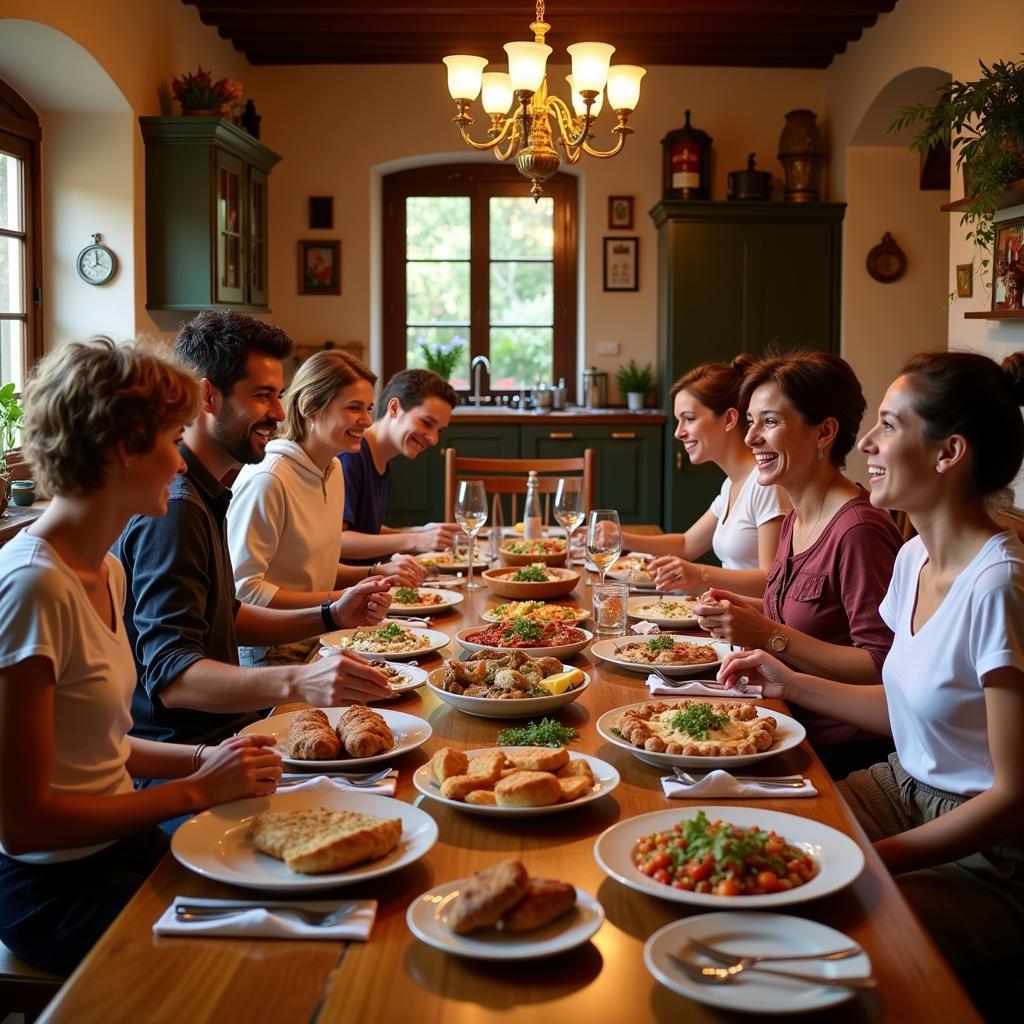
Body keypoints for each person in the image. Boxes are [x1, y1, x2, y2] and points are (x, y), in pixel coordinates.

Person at [718, 351, 1024, 1011]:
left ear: (949, 453)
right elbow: (902, 712)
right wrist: (786, 679)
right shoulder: (913, 556)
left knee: (818, 925)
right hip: (900, 785)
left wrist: (872, 858)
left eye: (888, 426)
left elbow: (1011, 798)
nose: (866, 443)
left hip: (990, 851)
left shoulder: (1000, 588)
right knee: (742, 844)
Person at [0, 338, 282, 974]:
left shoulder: (107, 569)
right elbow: (24, 826)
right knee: (249, 968)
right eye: (171, 438)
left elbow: (98, 748)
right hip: (53, 890)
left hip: (116, 847)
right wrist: (194, 791)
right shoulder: (32, 585)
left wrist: (207, 758)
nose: (181, 463)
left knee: (293, 907)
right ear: (123, 447)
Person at [115, 311, 393, 768]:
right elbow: (173, 679)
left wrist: (330, 614)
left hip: (232, 735)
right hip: (190, 762)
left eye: (279, 396)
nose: (280, 413)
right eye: (263, 396)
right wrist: (299, 682)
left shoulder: (211, 488)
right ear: (207, 395)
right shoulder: (175, 505)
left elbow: (226, 614)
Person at [694, 351, 904, 775]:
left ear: (825, 431)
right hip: (781, 719)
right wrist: (738, 611)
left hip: (838, 753)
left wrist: (767, 633)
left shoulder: (858, 530)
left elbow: (882, 667)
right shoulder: (798, 516)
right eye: (751, 421)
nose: (751, 438)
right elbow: (802, 619)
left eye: (769, 422)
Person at [227, 350, 406, 667]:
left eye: (368, 408)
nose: (366, 420)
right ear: (309, 407)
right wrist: (338, 602)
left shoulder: (332, 469)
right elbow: (244, 592)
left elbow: (311, 569)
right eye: (354, 408)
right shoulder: (269, 479)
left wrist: (370, 577)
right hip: (270, 652)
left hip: (322, 636)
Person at [622, 356, 788, 596]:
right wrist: (620, 538)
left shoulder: (765, 486)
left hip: (751, 626)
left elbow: (770, 581)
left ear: (729, 419)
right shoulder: (731, 484)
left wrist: (700, 574)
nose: (679, 432)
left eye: (689, 419)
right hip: (727, 616)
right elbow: (687, 545)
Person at [339, 368, 459, 564]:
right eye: (427, 422)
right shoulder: (352, 455)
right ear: (394, 408)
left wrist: (420, 531)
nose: (434, 439)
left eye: (440, 430)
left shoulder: (381, 459)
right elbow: (337, 540)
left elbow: (366, 529)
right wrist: (416, 540)